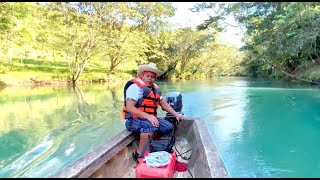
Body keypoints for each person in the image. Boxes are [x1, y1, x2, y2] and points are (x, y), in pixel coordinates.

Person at [122, 62, 184, 163]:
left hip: (146, 119)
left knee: (168, 127)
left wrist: (176, 114)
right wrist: (149, 117)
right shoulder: (134, 87)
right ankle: (139, 154)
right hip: (132, 120)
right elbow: (130, 108)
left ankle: (152, 144)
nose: (150, 78)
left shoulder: (155, 89)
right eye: (147, 76)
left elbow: (163, 104)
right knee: (151, 126)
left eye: (152, 77)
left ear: (155, 78)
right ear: (142, 76)